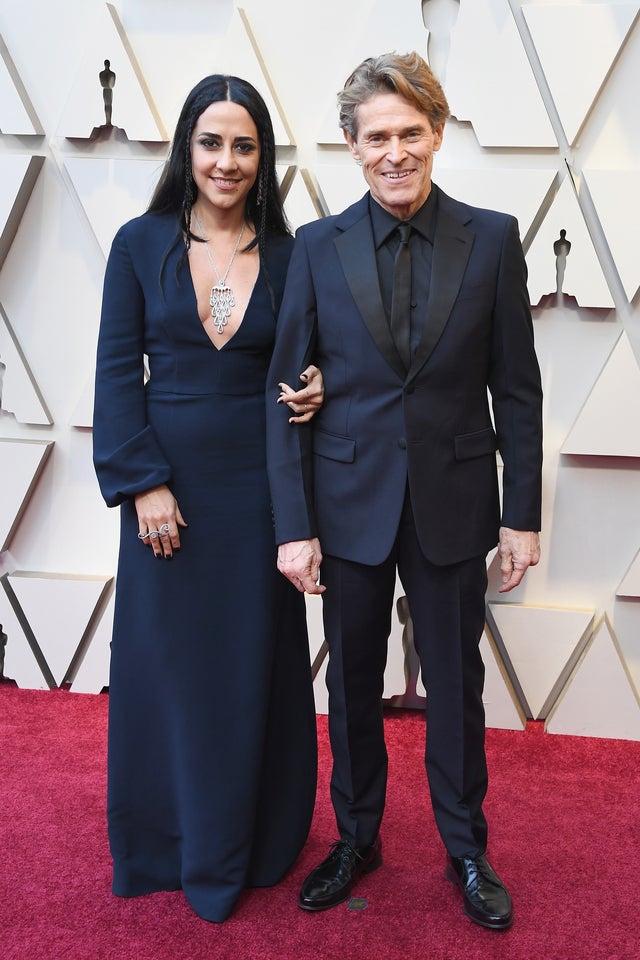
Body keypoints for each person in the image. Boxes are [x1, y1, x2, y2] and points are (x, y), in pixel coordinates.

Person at [266, 52, 543, 930]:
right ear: (352, 145)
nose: (396, 151)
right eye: (377, 135)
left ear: (437, 132)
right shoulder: (315, 246)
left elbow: (520, 388)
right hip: (347, 503)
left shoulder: (493, 237)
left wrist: (523, 515)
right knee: (350, 683)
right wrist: (293, 526)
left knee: (456, 687)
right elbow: (286, 392)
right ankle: (357, 838)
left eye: (411, 133)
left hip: (457, 501)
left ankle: (466, 848)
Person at [93, 74, 323, 923]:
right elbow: (117, 371)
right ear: (188, 149)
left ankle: (251, 841)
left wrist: (320, 382)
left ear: (264, 159)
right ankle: (162, 843)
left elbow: (322, 355)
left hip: (261, 486)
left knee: (248, 664)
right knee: (166, 664)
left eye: (244, 145)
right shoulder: (137, 242)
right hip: (167, 488)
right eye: (211, 142)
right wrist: (143, 481)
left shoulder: (297, 254)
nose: (227, 161)